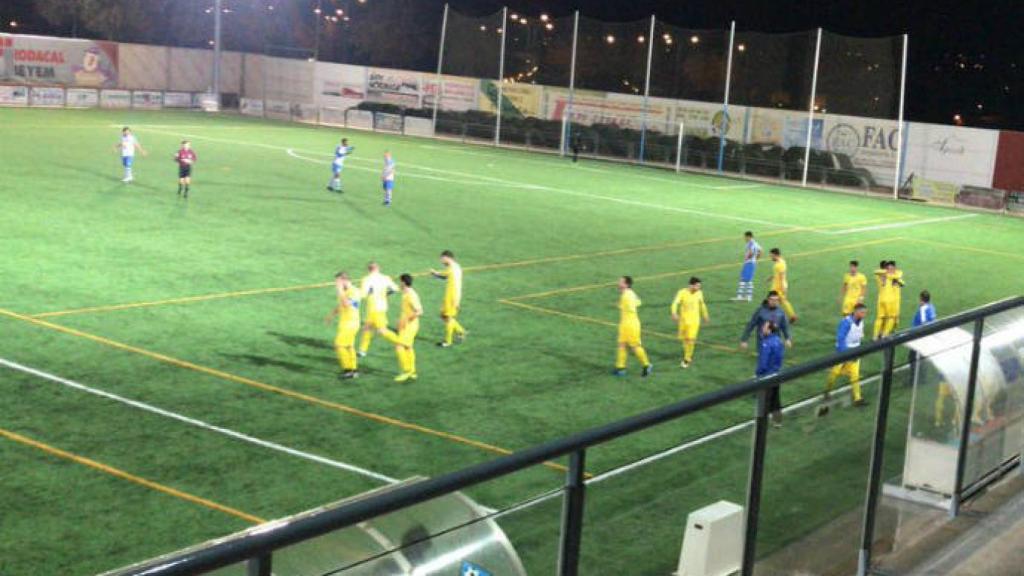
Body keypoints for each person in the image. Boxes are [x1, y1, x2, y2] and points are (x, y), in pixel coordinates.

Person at [379, 273, 423, 382]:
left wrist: (406, 320)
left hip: (410, 325)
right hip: (408, 324)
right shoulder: (406, 291)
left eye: (400, 281)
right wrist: (388, 280)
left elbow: (419, 311)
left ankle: (406, 371)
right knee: (408, 347)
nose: (399, 283)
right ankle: (412, 371)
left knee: (399, 346)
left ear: (403, 282)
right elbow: (396, 288)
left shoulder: (411, 295)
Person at [825, 303, 869, 407]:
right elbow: (840, 339)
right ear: (856, 312)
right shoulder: (846, 323)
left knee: (855, 375)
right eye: (862, 312)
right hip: (843, 351)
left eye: (865, 313)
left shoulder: (861, 322)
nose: (864, 315)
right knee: (835, 372)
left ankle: (858, 398)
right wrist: (846, 354)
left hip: (855, 351)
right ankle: (827, 390)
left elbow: (859, 336)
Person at [324, 272, 362, 379]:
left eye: (338, 282)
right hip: (347, 322)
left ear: (345, 280)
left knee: (339, 345)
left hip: (350, 323)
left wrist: (340, 290)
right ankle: (354, 370)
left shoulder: (354, 291)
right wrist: (331, 315)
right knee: (349, 346)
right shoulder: (346, 291)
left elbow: (346, 304)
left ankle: (347, 370)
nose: (336, 284)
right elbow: (341, 306)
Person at [613, 276, 653, 377]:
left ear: (626, 284)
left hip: (631, 324)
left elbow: (631, 307)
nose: (618, 283)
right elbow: (639, 302)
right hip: (624, 323)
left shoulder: (627, 295)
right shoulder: (629, 293)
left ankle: (647, 365)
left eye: (620, 282)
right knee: (622, 344)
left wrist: (623, 305)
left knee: (635, 346)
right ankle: (620, 368)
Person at [358, 262, 399, 358]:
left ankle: (402, 342)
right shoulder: (385, 278)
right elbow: (395, 288)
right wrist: (386, 294)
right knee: (367, 328)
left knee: (382, 330)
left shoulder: (366, 279)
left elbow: (363, 294)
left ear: (368, 269)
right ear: (378, 268)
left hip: (374, 308)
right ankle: (362, 350)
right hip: (382, 306)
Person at [671, 276, 710, 368]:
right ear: (691, 285)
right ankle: (687, 353)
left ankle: (687, 359)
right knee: (684, 340)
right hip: (683, 321)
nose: (698, 288)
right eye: (697, 286)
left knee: (691, 340)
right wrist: (674, 313)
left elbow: (702, 305)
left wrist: (705, 315)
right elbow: (675, 303)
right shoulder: (682, 293)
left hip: (694, 321)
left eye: (699, 286)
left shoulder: (699, 293)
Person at [431, 250, 466, 348]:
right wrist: (436, 274)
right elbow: (446, 277)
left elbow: (443, 276)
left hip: (452, 296)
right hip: (451, 295)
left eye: (442, 259)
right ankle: (460, 331)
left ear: (447, 257)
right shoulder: (455, 267)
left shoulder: (452, 268)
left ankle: (448, 341)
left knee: (448, 317)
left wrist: (435, 274)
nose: (441, 261)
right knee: (444, 316)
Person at [755, 320, 786, 427]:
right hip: (777, 374)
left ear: (769, 330)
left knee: (763, 401)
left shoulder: (766, 343)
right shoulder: (778, 341)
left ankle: (761, 426)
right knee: (775, 399)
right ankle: (778, 421)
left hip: (766, 376)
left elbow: (763, 363)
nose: (763, 328)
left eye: (765, 327)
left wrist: (758, 374)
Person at [873, 260, 905, 338]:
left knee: (880, 317)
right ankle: (885, 334)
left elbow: (876, 271)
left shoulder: (878, 275)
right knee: (892, 317)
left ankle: (875, 335)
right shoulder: (892, 275)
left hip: (881, 298)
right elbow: (901, 280)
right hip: (892, 299)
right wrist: (892, 273)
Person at [769, 248, 798, 323]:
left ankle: (774, 319)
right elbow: (778, 274)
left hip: (778, 287)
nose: (770, 257)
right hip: (777, 285)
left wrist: (783, 288)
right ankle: (792, 316)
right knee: (782, 302)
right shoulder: (781, 261)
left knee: (774, 301)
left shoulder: (780, 264)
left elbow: (781, 277)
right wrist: (771, 277)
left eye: (771, 255)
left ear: (776, 255)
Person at [732, 231, 762, 302]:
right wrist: (756, 259)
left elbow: (751, 252)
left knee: (743, 279)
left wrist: (747, 258)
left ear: (749, 236)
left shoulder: (750, 243)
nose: (744, 238)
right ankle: (748, 296)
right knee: (748, 279)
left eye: (745, 237)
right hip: (752, 263)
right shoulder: (755, 243)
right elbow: (760, 251)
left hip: (749, 263)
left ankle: (741, 296)